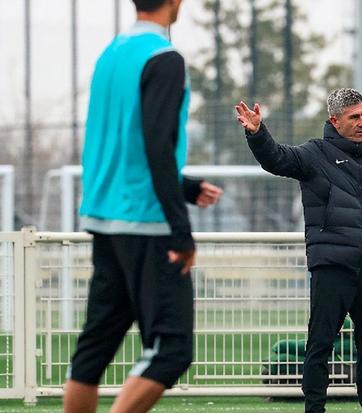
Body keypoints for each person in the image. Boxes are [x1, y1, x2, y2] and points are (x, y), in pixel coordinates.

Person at [63, 1, 223, 412]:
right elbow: (157, 143)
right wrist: (181, 231)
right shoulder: (164, 58)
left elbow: (126, 141)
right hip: (147, 224)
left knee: (94, 349)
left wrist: (184, 187)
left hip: (104, 217)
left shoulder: (110, 54)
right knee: (172, 349)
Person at [235, 88, 362, 413]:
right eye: (354, 117)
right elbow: (276, 158)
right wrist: (257, 133)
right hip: (332, 268)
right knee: (320, 346)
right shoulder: (314, 154)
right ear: (335, 120)